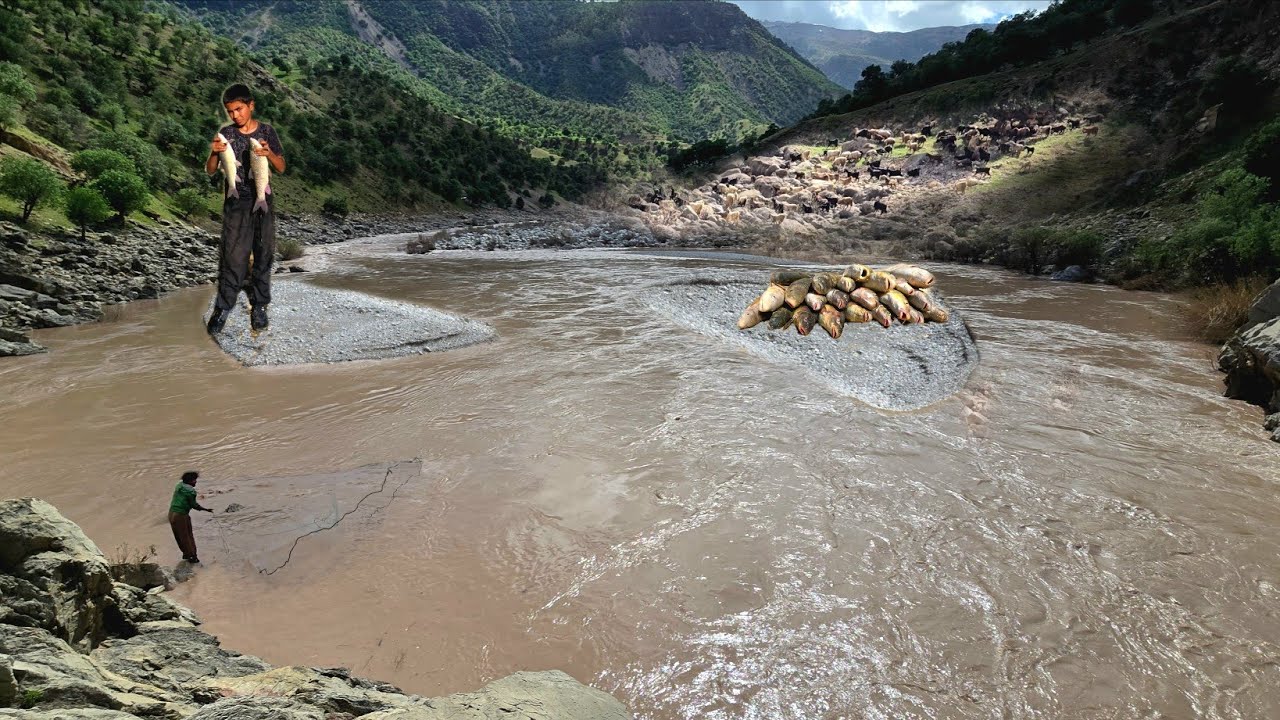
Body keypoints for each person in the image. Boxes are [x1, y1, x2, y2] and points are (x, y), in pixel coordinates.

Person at [205, 83, 286, 334]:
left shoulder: (267, 131)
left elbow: (281, 167)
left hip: (262, 199)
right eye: (230, 111)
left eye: (239, 109)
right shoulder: (225, 134)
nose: (235, 115)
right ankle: (223, 307)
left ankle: (260, 305)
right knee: (232, 257)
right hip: (236, 202)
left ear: (251, 105)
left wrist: (269, 153)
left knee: (263, 254)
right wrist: (214, 153)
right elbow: (210, 171)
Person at [169, 470, 214, 563]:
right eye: (194, 480)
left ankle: (186, 554)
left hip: (171, 513)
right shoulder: (191, 492)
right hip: (181, 515)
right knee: (187, 535)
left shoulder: (179, 485)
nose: (196, 482)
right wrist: (206, 509)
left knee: (178, 535)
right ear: (190, 481)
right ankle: (193, 556)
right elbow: (194, 505)